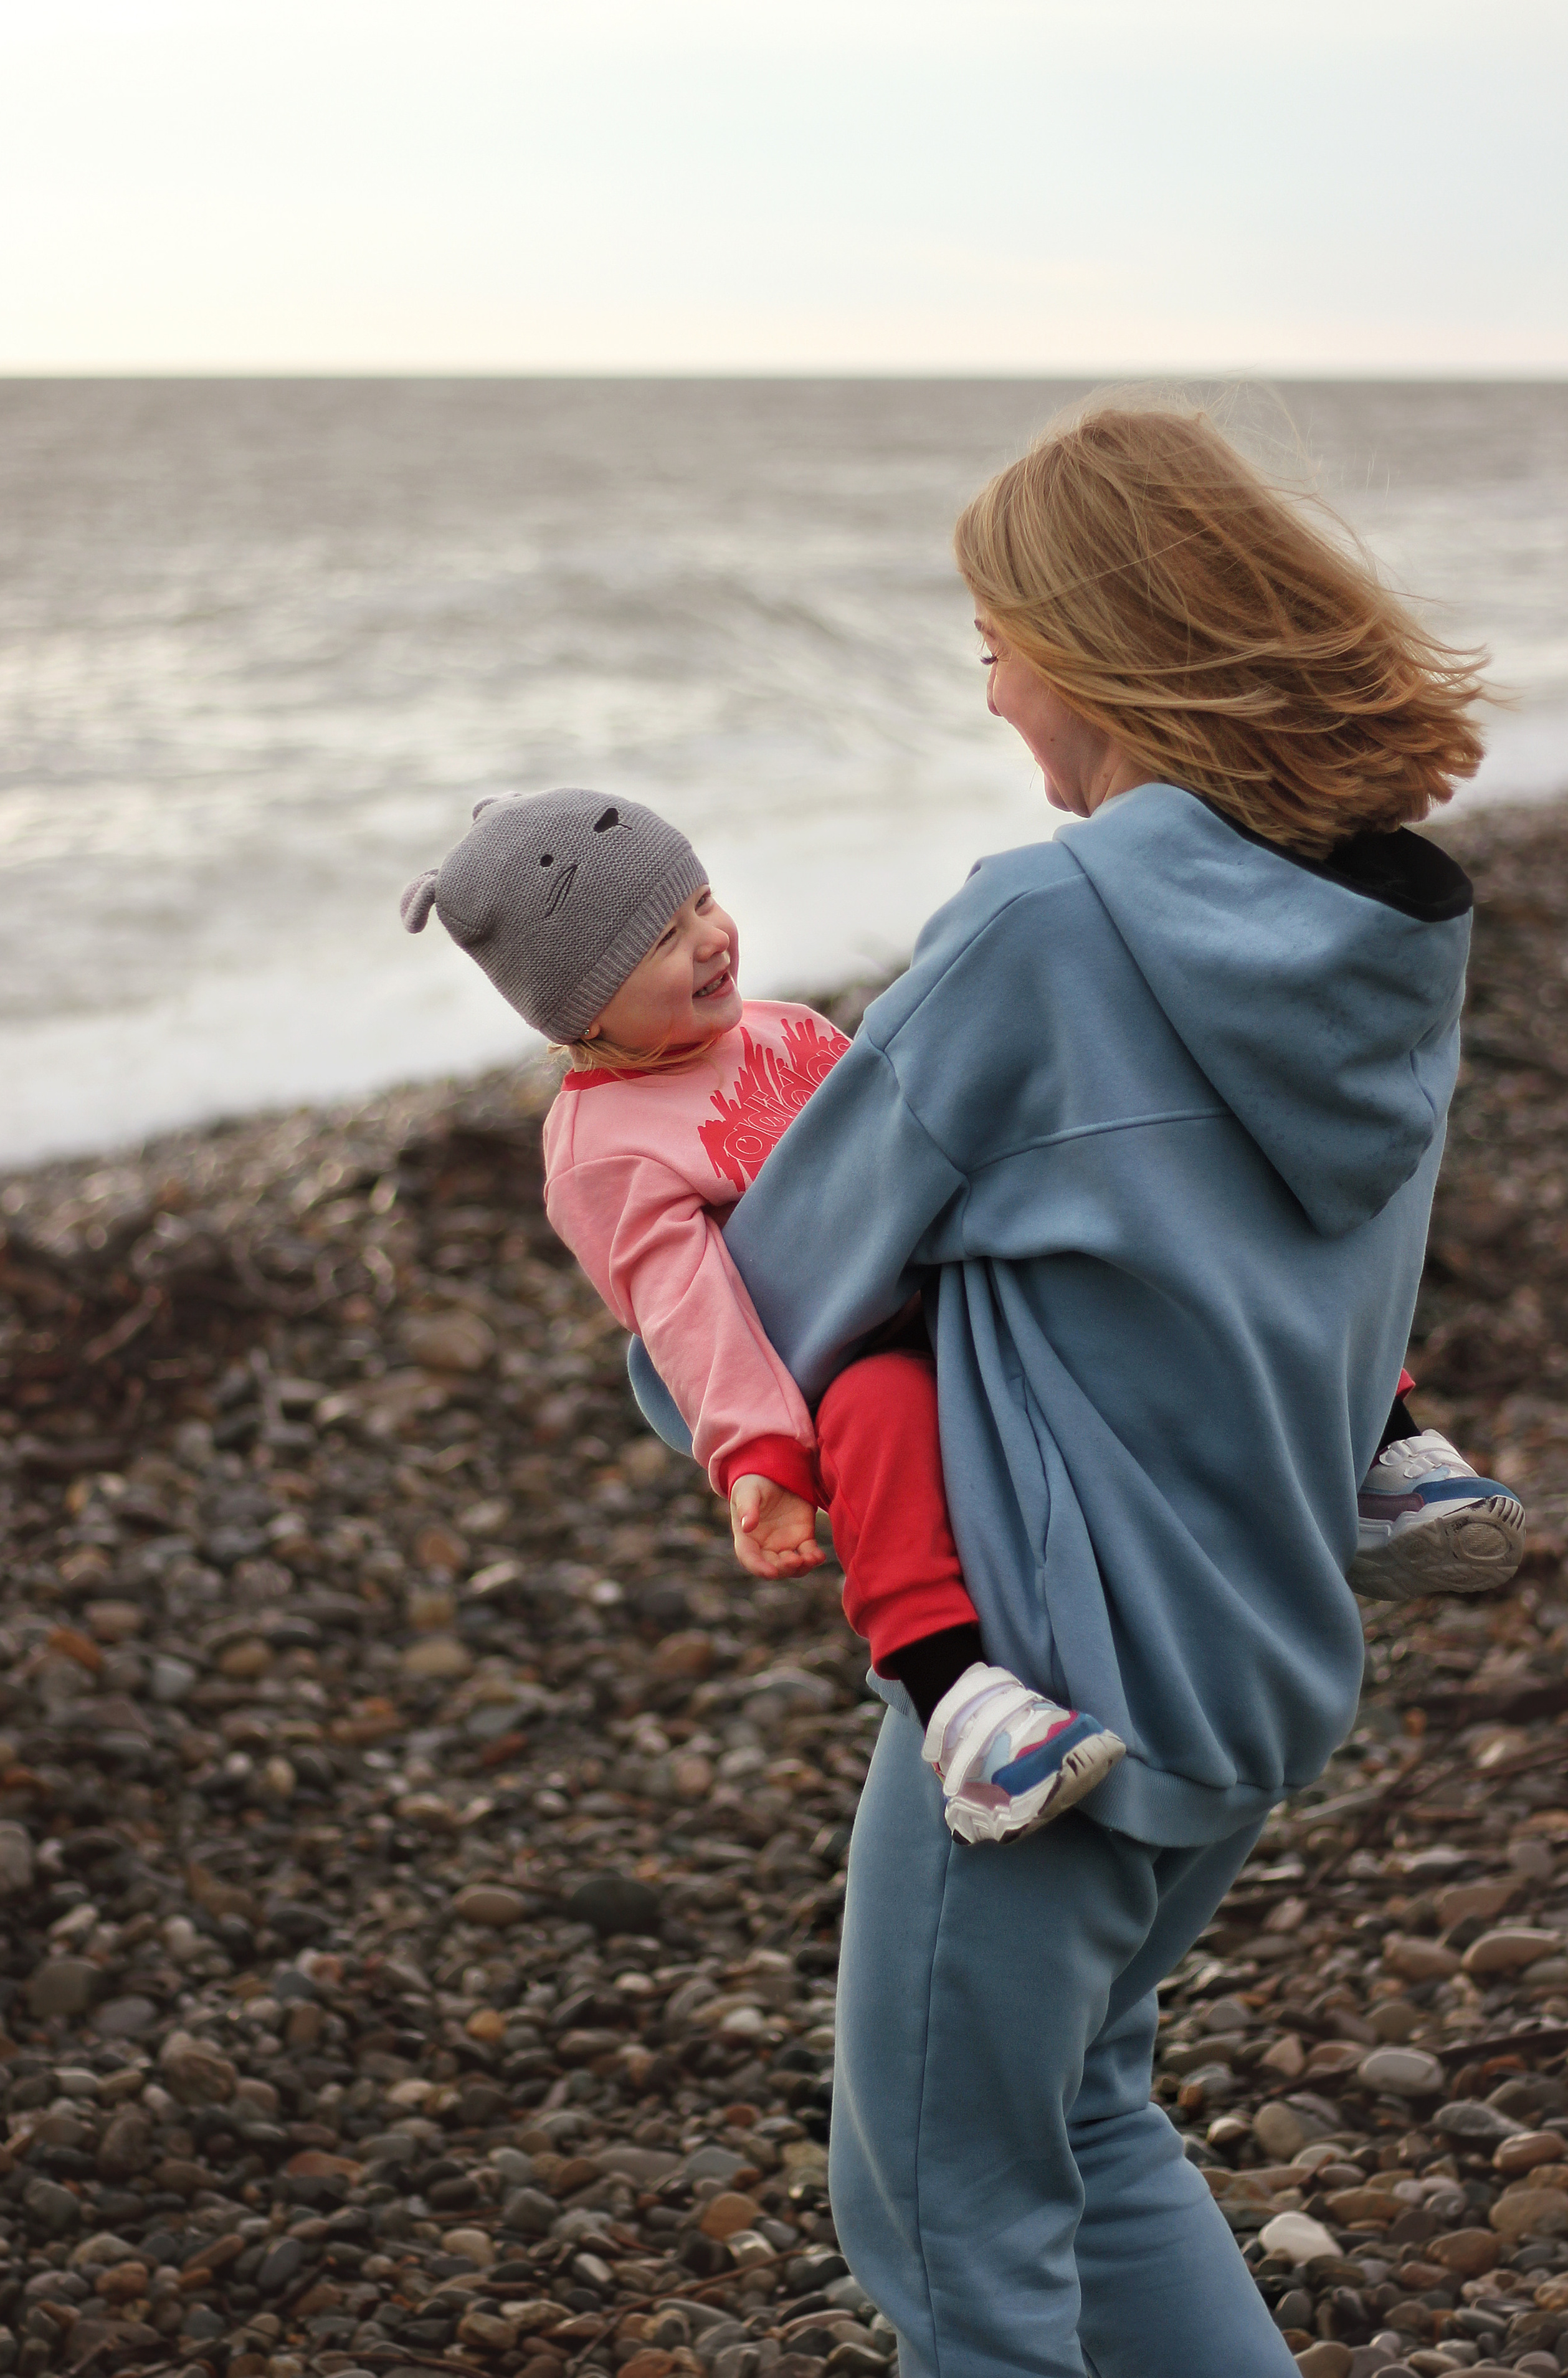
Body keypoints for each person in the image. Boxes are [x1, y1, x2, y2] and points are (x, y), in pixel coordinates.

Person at [665, 399, 1504, 2376]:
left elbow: (778, 1307)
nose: (990, 697)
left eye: (996, 643)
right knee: (1084, 2116)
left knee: (938, 2218)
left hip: (1047, 1687)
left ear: (1100, 644)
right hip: (1261, 1647)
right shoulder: (1381, 932)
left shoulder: (1045, 930)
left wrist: (640, 1230)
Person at [400, 787, 1126, 1845]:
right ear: (581, 1008)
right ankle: (959, 1703)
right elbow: (683, 1306)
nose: (709, 940)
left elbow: (901, 1131)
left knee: (1107, 1240)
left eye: (701, 901)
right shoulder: (605, 1149)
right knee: (879, 1411)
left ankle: (1354, 1424)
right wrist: (758, 1458)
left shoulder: (781, 1028)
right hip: (843, 1354)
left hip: (952, 1281)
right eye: (661, 938)